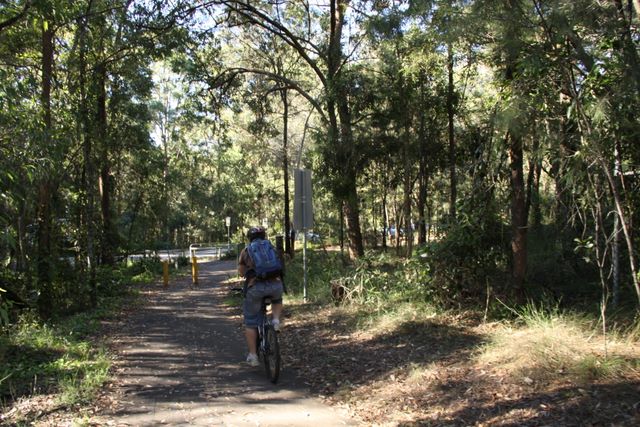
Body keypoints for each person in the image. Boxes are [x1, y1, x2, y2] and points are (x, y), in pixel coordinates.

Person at [238, 226, 284, 367]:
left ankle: (253, 356)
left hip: (256, 288)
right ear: (264, 236)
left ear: (250, 238)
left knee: (251, 322)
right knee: (277, 299)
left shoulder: (246, 251)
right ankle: (276, 321)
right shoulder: (271, 247)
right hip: (276, 285)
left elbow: (241, 273)